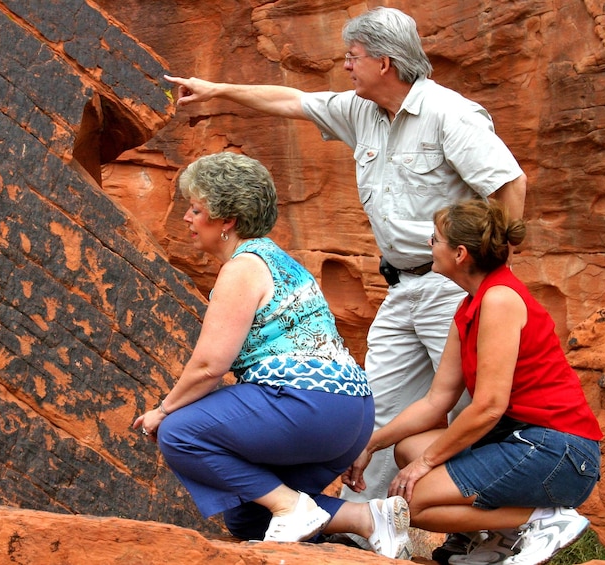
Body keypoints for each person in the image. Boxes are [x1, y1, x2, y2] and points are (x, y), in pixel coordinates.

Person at [164, 7, 527, 560]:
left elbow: (508, 184)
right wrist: (217, 91)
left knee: (481, 402)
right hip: (402, 287)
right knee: (376, 409)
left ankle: (509, 529)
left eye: (352, 58)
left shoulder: (448, 114)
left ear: (384, 61)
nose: (346, 67)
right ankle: (373, 530)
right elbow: (291, 101)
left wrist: (491, 272)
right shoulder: (363, 111)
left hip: (455, 284)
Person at [132, 152, 409, 558]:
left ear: (226, 220)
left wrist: (164, 410)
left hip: (309, 406)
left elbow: (210, 365)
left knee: (179, 433)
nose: (188, 219)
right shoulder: (278, 259)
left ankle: (290, 505)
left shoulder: (243, 267)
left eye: (196, 209)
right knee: (247, 517)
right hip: (351, 416)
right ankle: (369, 518)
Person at [342, 199, 603, 565]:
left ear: (460, 253)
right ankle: (498, 539)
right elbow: (437, 401)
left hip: (557, 451)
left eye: (435, 240)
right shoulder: (470, 304)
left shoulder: (499, 299)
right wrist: (371, 444)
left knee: (411, 502)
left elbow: (488, 406)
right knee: (408, 450)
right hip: (522, 441)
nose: (429, 246)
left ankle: (543, 519)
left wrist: (424, 466)